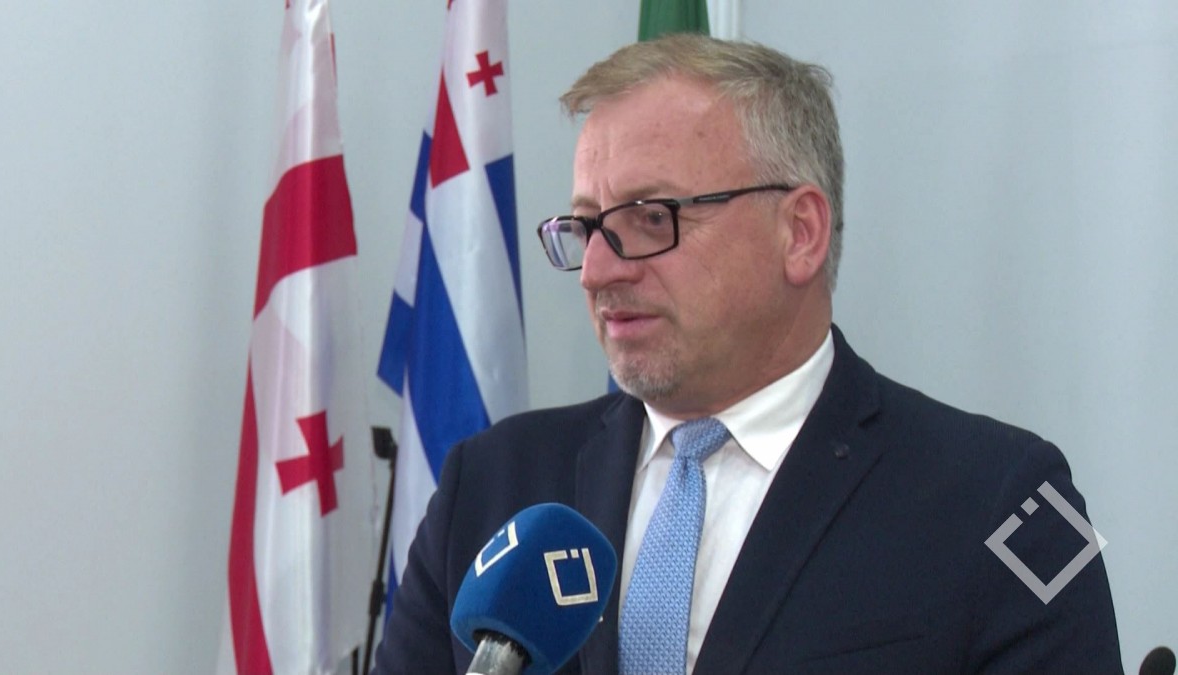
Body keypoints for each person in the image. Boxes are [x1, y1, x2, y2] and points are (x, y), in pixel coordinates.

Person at [374, 34, 1122, 674]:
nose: (598, 271)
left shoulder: (999, 500)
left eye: (650, 217)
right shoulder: (491, 484)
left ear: (799, 232)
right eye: (586, 227)